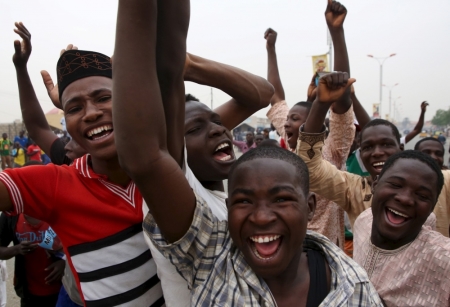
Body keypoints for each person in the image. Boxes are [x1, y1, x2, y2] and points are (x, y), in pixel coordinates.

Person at [111, 8, 383, 303]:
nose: (262, 216)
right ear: (230, 208)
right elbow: (146, 156)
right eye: (244, 201)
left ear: (309, 205)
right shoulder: (212, 252)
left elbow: (265, 96)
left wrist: (184, 64)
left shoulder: (351, 285)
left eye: (281, 198)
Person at [6, 22, 164, 306]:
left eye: (104, 98)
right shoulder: (59, 181)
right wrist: (21, 69)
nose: (91, 114)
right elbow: (36, 126)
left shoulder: (162, 165)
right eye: (75, 109)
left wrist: (77, 91)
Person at [263, 0, 355, 249]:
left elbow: (342, 95)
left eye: (294, 119)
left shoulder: (334, 148)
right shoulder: (292, 150)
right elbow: (276, 97)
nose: (287, 124)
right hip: (289, 252)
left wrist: (337, 32)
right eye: (288, 119)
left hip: (327, 257)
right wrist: (271, 49)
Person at [353, 151, 450, 306]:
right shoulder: (363, 220)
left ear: (431, 206)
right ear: (375, 185)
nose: (405, 199)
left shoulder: (444, 260)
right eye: (396, 185)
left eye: (422, 195)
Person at [0, 210, 65, 307]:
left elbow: (82, 243)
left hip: (63, 291)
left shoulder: (58, 210)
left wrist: (64, 262)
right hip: (29, 295)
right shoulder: (11, 216)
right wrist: (17, 249)